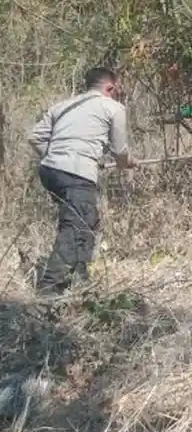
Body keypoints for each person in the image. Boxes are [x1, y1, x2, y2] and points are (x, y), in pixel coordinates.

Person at [27, 67, 136, 293]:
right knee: (75, 228)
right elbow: (120, 150)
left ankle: (80, 280)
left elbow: (35, 137)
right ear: (110, 87)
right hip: (76, 173)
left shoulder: (63, 106)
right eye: (116, 90)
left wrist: (56, 155)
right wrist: (127, 163)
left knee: (86, 221)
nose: (117, 94)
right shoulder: (113, 107)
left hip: (49, 171)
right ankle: (49, 291)